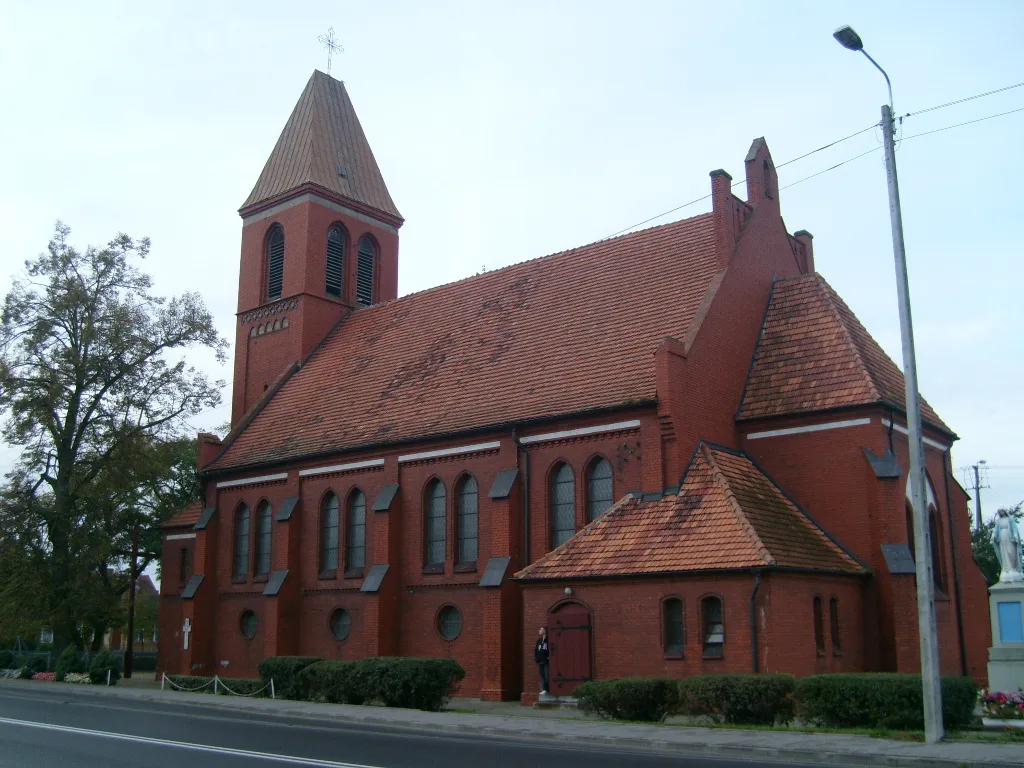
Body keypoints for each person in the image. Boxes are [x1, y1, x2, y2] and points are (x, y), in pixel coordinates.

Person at [534, 627, 550, 695]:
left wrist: (548, 657)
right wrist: (537, 658)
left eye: (541, 629)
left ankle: (547, 689)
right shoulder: (539, 641)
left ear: (545, 631)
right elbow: (536, 650)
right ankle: (544, 689)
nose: (539, 631)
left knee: (547, 675)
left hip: (546, 661)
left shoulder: (548, 640)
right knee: (542, 675)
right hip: (540, 661)